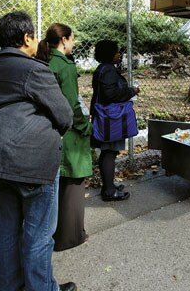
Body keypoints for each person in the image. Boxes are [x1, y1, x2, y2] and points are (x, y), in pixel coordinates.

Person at [0, 11, 76, 291]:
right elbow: (64, 116)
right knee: (39, 235)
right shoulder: (35, 69)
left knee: (9, 231)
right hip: (33, 161)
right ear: (26, 38)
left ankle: (10, 286)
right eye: (34, 36)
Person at [36, 23, 92, 252]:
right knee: (74, 182)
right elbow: (71, 104)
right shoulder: (65, 65)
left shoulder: (44, 61)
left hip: (49, 132)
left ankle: (54, 234)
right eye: (73, 38)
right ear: (64, 40)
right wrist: (85, 127)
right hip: (69, 132)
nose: (75, 42)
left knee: (56, 186)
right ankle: (70, 237)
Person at [91, 40, 139, 201]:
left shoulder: (101, 69)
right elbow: (111, 95)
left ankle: (108, 186)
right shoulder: (109, 71)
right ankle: (109, 191)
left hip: (104, 116)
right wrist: (131, 91)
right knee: (109, 152)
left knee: (108, 152)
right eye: (117, 52)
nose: (119, 55)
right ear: (109, 54)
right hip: (110, 119)